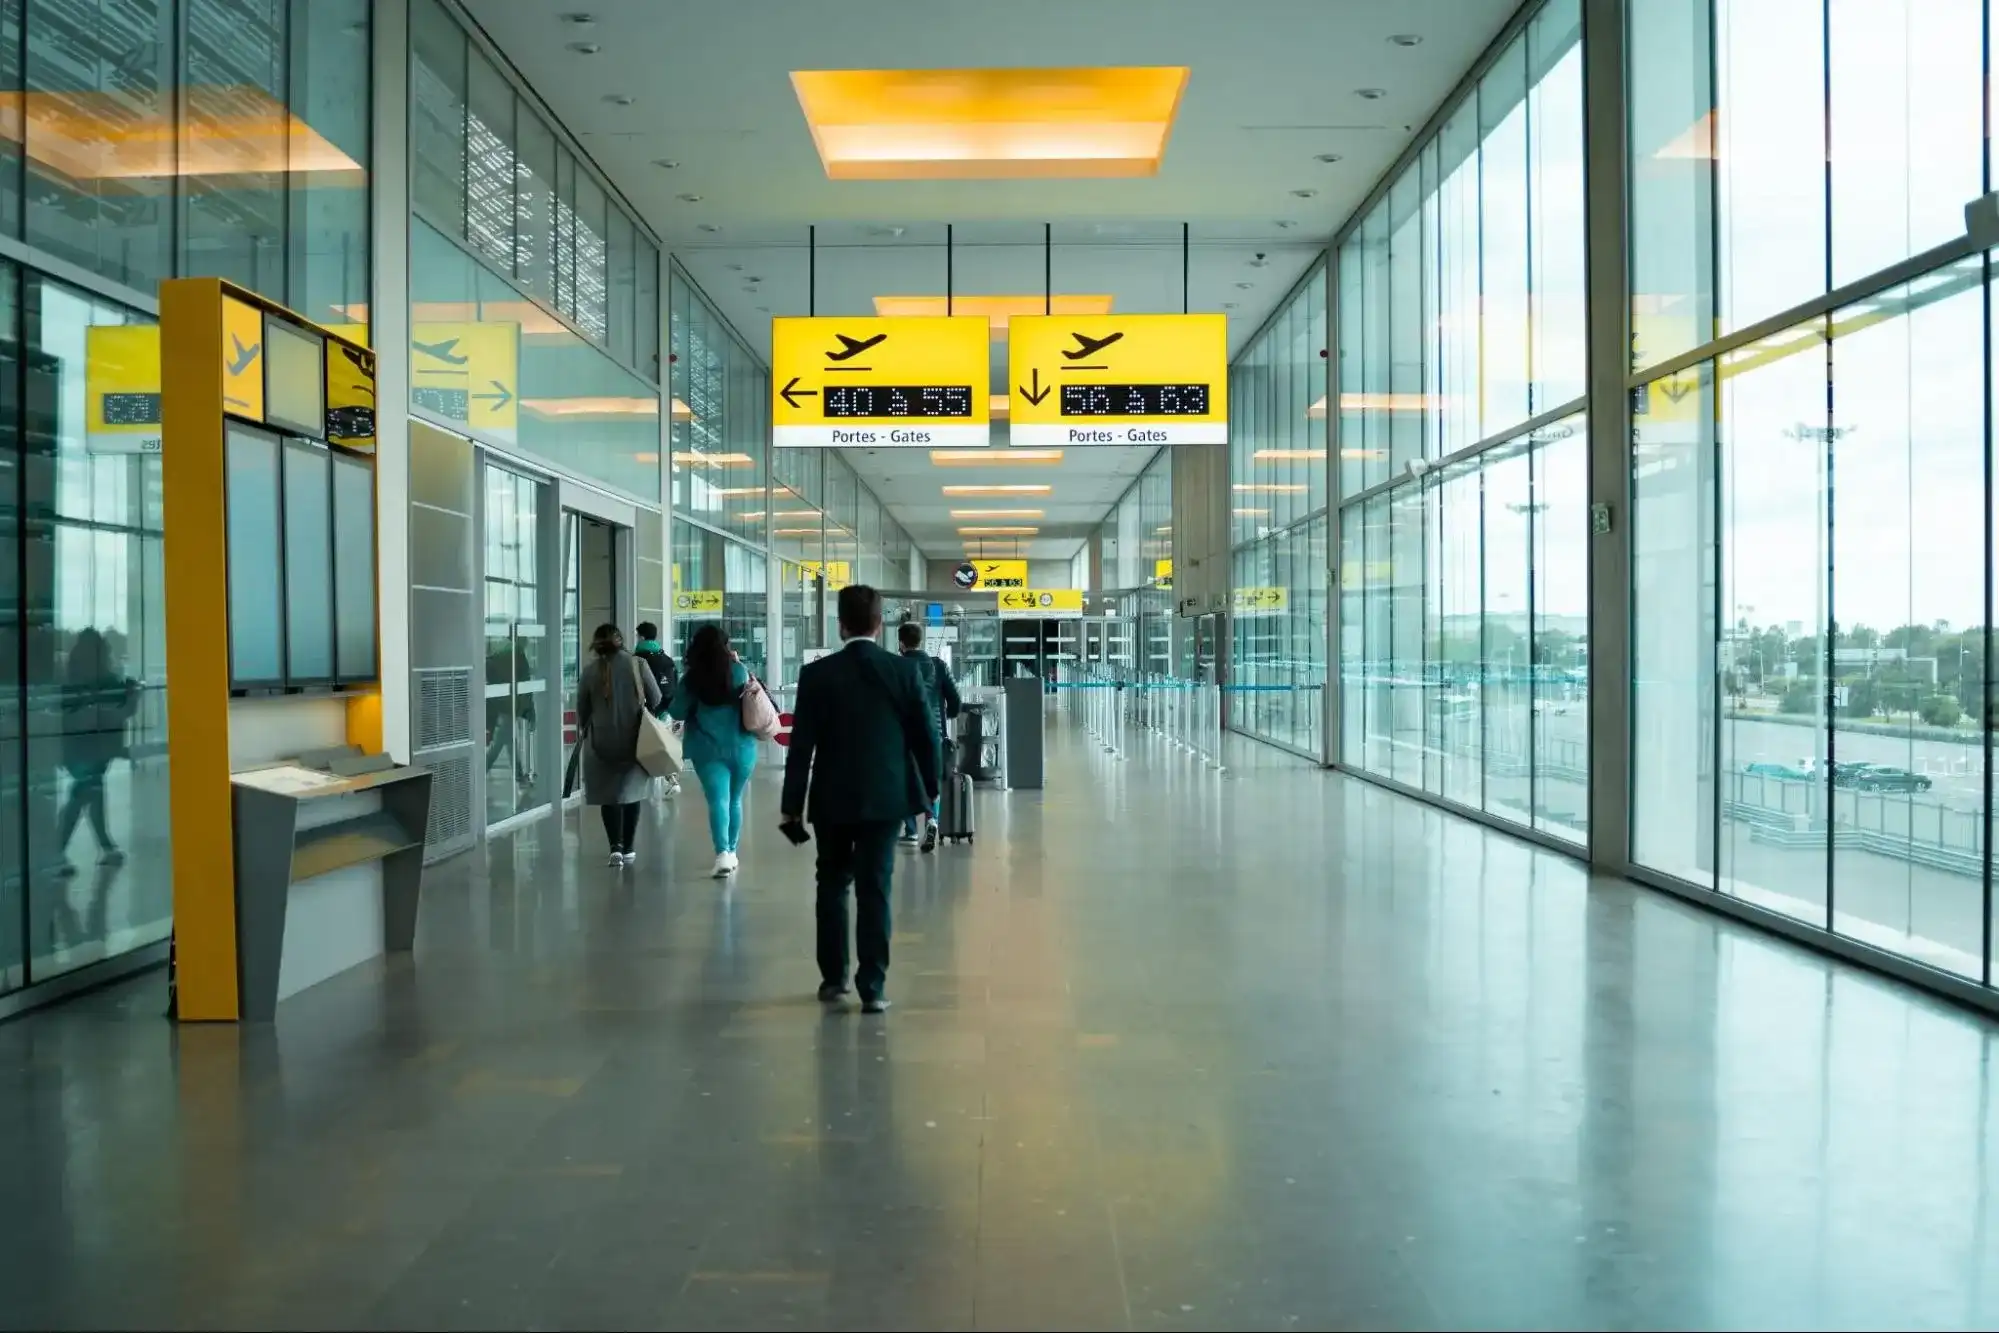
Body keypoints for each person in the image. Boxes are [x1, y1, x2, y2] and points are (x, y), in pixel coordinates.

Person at [781, 586, 940, 1014]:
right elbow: (927, 735)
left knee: (831, 884)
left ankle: (833, 979)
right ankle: (873, 986)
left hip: (832, 798)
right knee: (876, 887)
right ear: (878, 624)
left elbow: (801, 747)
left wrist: (791, 806)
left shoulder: (817, 676)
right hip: (886, 799)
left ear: (841, 624)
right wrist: (930, 790)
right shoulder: (902, 672)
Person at [667, 624, 758, 878]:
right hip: (742, 748)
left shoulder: (692, 679)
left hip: (707, 750)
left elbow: (676, 712)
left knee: (718, 800)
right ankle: (732, 851)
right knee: (735, 799)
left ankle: (723, 854)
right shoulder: (739, 671)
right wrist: (737, 663)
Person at [575, 623, 660, 868]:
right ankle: (630, 848)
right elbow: (656, 698)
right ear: (621, 640)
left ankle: (616, 848)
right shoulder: (638, 665)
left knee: (609, 796)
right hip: (635, 741)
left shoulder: (590, 671)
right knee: (631, 794)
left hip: (601, 745)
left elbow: (582, 709)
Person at [55, 627, 138, 877]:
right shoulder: (100, 681)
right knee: (87, 791)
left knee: (91, 791)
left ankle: (103, 846)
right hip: (86, 749)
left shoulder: (75, 680)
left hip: (87, 748)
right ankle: (60, 850)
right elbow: (122, 710)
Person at [897, 621, 961, 852]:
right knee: (931, 779)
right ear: (920, 641)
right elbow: (955, 700)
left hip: (904, 735)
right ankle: (932, 821)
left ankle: (911, 830)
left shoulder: (895, 666)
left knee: (905, 781)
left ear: (901, 644)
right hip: (933, 733)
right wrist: (947, 716)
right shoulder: (939, 666)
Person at [632, 621, 680, 796]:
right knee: (662, 744)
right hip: (666, 710)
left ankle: (654, 783)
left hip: (645, 710)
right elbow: (676, 683)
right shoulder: (666, 658)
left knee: (644, 747)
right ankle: (671, 778)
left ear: (641, 637)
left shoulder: (637, 660)